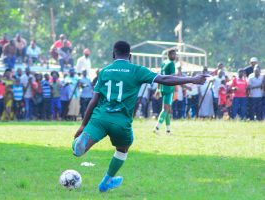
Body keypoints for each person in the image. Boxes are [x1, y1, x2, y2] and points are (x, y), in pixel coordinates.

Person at [72, 41, 207, 192]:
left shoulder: (104, 71)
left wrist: (83, 125)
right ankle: (105, 182)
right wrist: (193, 79)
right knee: (122, 149)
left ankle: (79, 145)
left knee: (79, 148)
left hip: (100, 118)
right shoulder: (136, 70)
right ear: (130, 56)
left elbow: (94, 100)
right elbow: (164, 79)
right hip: (121, 122)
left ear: (113, 54)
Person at [154, 49, 176, 134]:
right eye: (173, 54)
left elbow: (160, 76)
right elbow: (173, 77)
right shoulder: (171, 64)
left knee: (169, 110)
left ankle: (168, 130)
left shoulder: (164, 62)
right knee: (166, 109)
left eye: (175, 54)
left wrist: (158, 88)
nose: (175, 56)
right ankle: (157, 128)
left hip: (163, 88)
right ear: (169, 55)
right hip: (169, 89)